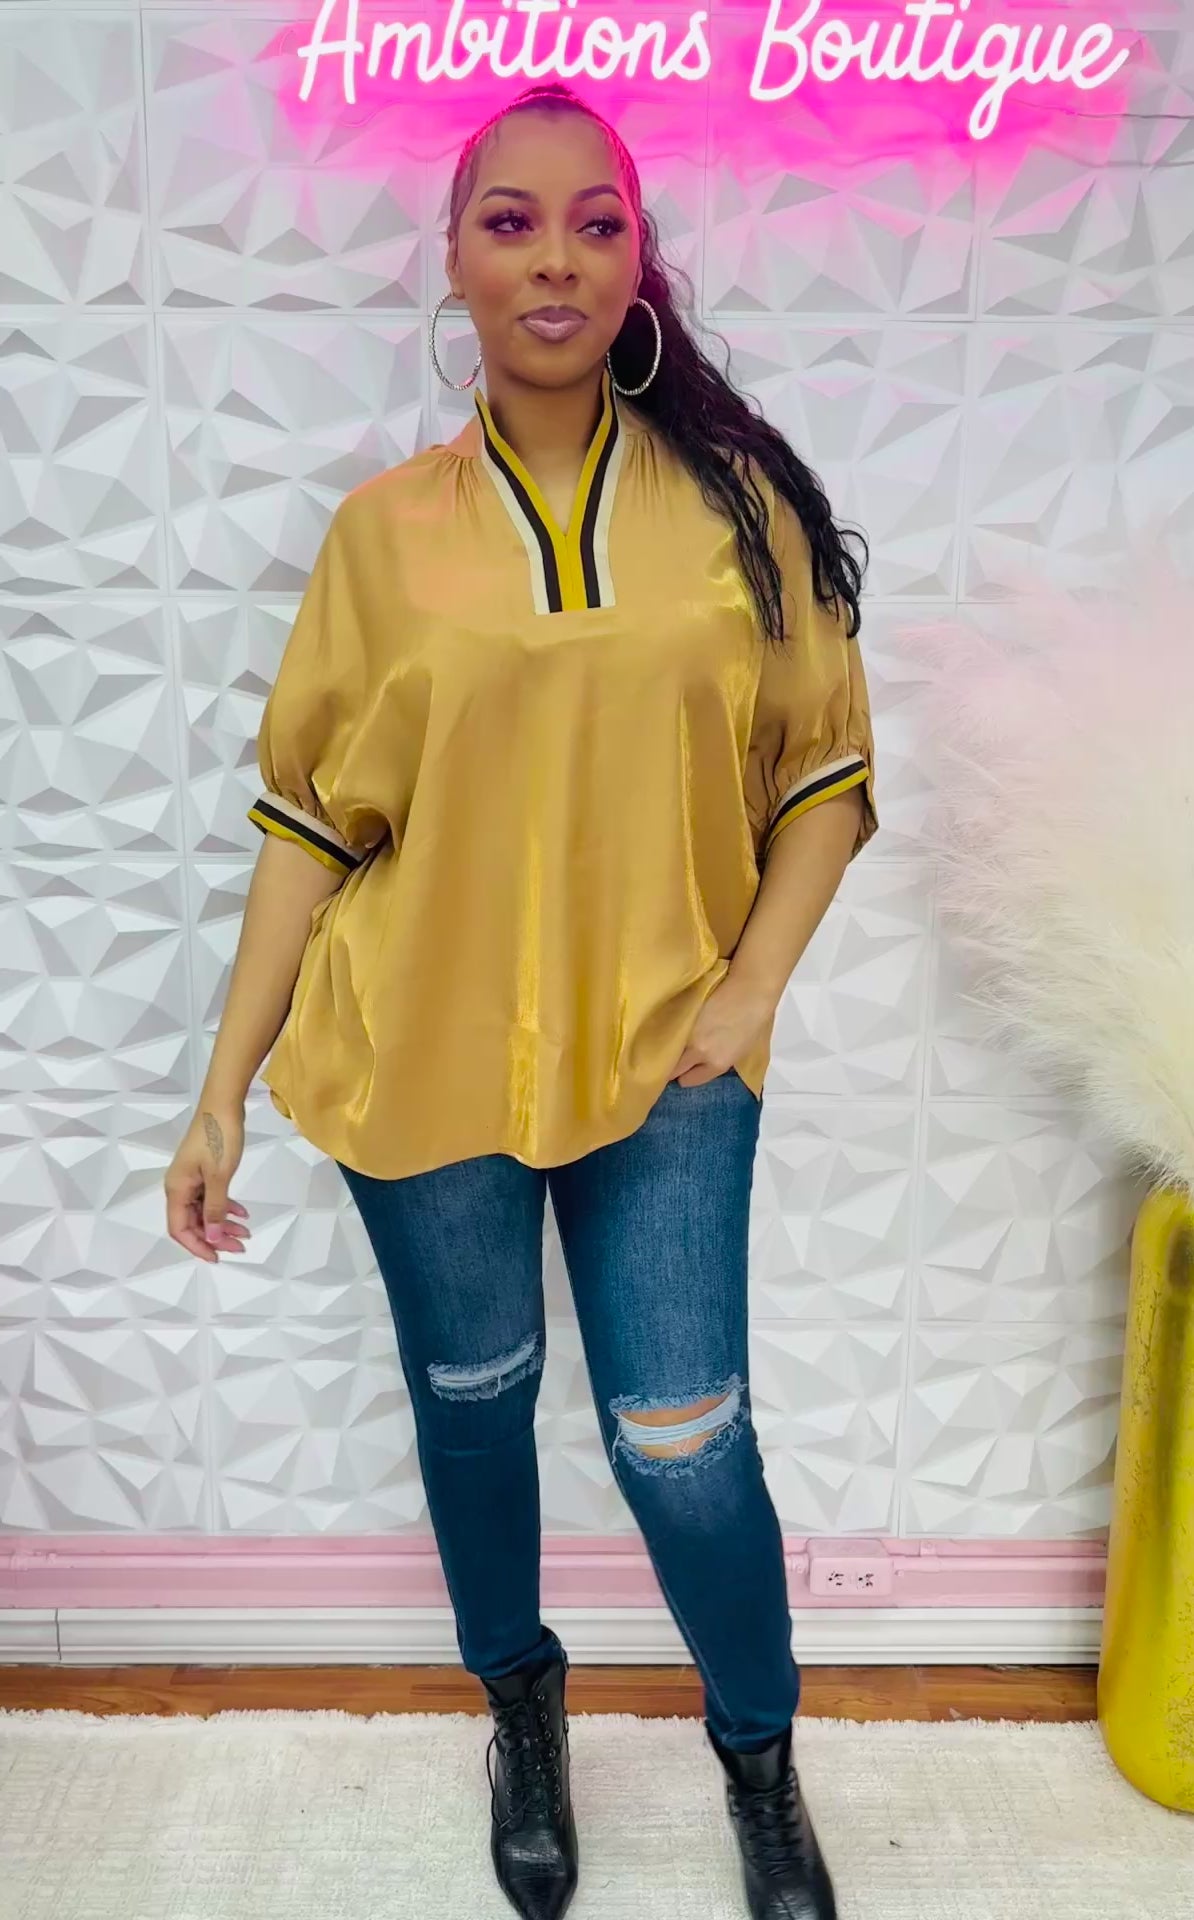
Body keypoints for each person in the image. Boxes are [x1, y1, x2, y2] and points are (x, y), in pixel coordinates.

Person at [164, 78, 877, 1920]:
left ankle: (758, 1754)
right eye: (510, 220)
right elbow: (309, 826)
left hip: (668, 1058)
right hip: (423, 1052)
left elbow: (822, 780)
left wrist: (745, 998)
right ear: (453, 261)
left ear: (638, 263)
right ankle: (522, 1709)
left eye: (593, 221)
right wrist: (221, 1088)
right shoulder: (381, 536)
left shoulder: (737, 515)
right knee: (475, 1405)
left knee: (681, 1442)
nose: (553, 256)